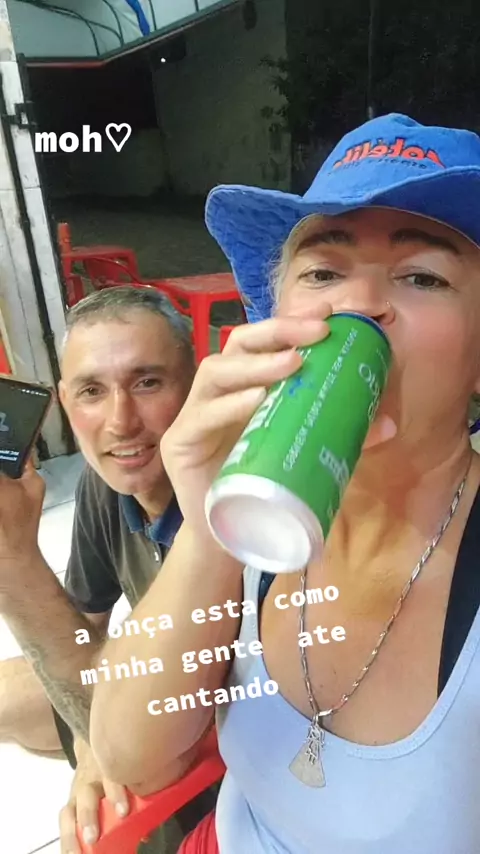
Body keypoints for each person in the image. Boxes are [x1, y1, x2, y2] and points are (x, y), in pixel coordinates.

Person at [89, 112, 480, 853]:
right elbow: (134, 757)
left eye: (422, 275)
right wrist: (208, 521)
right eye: (323, 272)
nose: (358, 304)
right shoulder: (249, 509)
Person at [0, 286, 216, 853]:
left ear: (195, 385)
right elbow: (83, 633)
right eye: (92, 391)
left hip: (208, 720)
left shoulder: (230, 499)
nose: (121, 423)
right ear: (64, 404)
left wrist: (14, 565)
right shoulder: (107, 483)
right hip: (138, 674)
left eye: (147, 382)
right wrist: (87, 742)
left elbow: (173, 734)